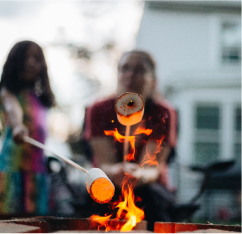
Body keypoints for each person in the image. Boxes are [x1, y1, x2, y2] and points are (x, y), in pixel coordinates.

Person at [83, 50, 178, 230]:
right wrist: (117, 170)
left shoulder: (163, 113)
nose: (130, 75)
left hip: (150, 189)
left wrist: (139, 175)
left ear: (153, 78)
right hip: (109, 183)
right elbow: (104, 163)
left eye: (139, 70)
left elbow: (152, 168)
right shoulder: (98, 109)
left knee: (149, 202)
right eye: (125, 68)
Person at [0, 40, 56, 216]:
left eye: (36, 58)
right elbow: (12, 109)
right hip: (12, 174)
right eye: (25, 57)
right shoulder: (7, 93)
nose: (31, 62)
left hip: (38, 176)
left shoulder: (41, 101)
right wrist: (17, 126)